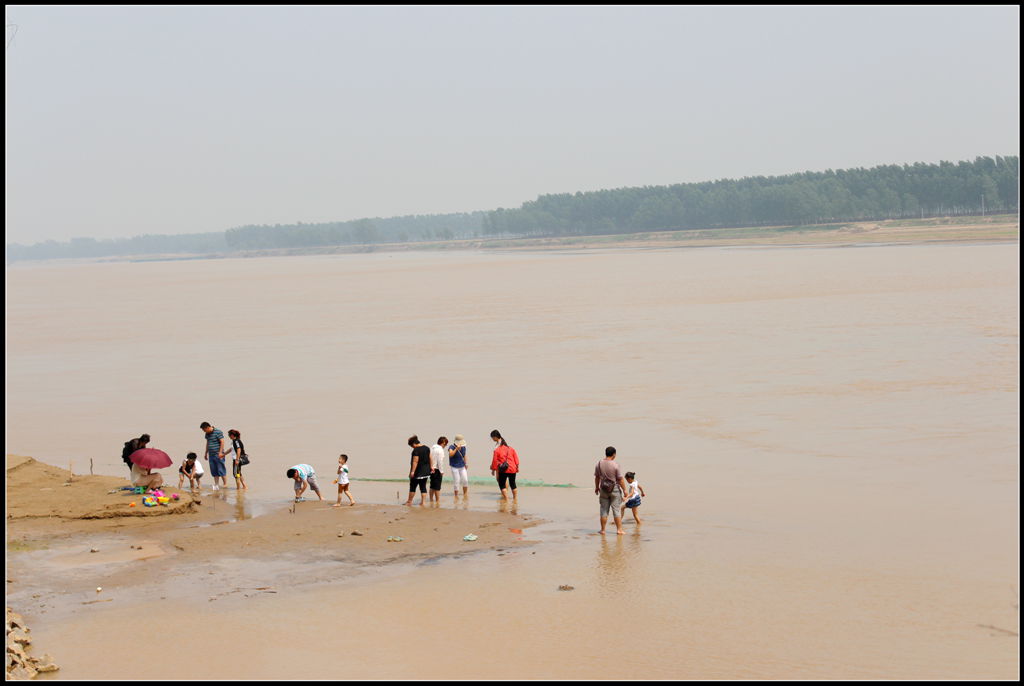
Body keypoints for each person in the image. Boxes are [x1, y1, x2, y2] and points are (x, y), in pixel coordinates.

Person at [594, 446, 628, 535]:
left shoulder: (599, 463)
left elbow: (597, 477)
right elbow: (620, 479)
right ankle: (619, 530)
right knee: (616, 510)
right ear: (614, 454)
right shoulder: (615, 465)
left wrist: (597, 487)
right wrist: (624, 490)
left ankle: (603, 530)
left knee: (603, 510)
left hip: (603, 489)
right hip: (615, 489)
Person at [489, 429, 520, 501]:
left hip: (503, 469)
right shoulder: (511, 449)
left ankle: (506, 500)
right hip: (512, 469)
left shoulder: (497, 450)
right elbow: (517, 460)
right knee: (513, 484)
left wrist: (493, 469)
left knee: (502, 484)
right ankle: (515, 499)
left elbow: (494, 461)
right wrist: (517, 468)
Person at [200, 422, 227, 491]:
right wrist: (206, 453)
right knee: (214, 470)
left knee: (221, 469)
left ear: (207, 427)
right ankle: (216, 484)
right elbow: (208, 443)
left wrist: (220, 452)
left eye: (204, 430)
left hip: (218, 454)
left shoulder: (218, 432)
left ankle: (225, 484)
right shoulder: (207, 434)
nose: (204, 432)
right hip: (211, 454)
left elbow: (222, 442)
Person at [405, 435, 431, 506]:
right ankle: (423, 502)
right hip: (426, 471)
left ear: (413, 444)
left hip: (417, 472)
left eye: (411, 446)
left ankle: (409, 502)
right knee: (423, 487)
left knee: (413, 486)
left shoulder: (416, 450)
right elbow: (430, 458)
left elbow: (415, 462)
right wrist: (431, 467)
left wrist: (412, 472)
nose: (412, 447)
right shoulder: (427, 448)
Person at [448, 434, 469, 498]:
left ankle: (465, 494)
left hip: (462, 466)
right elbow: (450, 455)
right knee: (457, 481)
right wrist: (456, 449)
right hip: (454, 467)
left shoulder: (463, 447)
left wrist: (466, 463)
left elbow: (464, 455)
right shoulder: (451, 447)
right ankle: (456, 495)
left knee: (465, 480)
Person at [429, 436, 448, 504]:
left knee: (432, 485)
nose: (445, 446)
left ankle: (431, 499)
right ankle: (437, 500)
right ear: (443, 443)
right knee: (437, 487)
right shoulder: (440, 450)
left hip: (431, 468)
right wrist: (441, 471)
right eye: (445, 444)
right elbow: (440, 461)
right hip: (437, 469)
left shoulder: (432, 448)